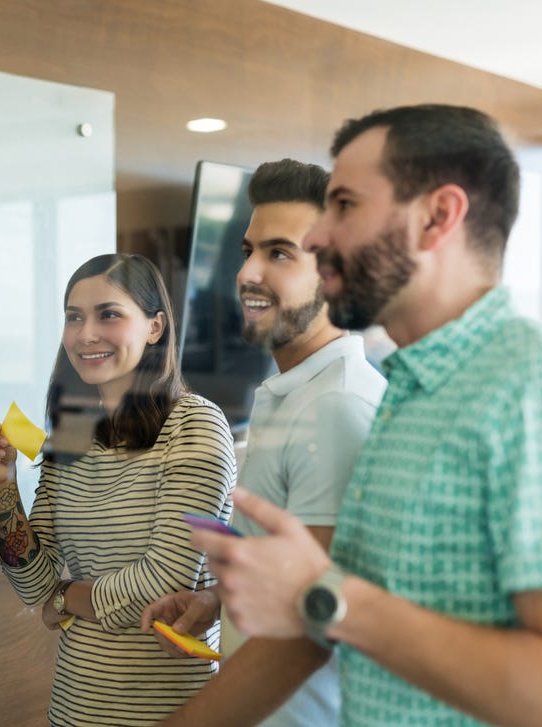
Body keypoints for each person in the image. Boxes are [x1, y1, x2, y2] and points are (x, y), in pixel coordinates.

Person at [194, 104, 542, 727]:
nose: (318, 237)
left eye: (345, 206)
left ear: (438, 217)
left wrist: (323, 595)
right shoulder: (412, 393)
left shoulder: (541, 394)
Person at [141, 159, 385, 727]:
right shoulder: (296, 393)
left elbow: (311, 632)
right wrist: (214, 602)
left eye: (279, 253)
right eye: (248, 250)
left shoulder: (335, 408)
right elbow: (298, 579)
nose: (248, 272)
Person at [0, 253, 237, 727]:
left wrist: (64, 597)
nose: (85, 334)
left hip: (171, 711)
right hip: (75, 708)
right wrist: (3, 485)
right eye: (74, 317)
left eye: (108, 314)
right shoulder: (73, 431)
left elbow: (162, 584)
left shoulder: (195, 425)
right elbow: (33, 584)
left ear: (155, 327)